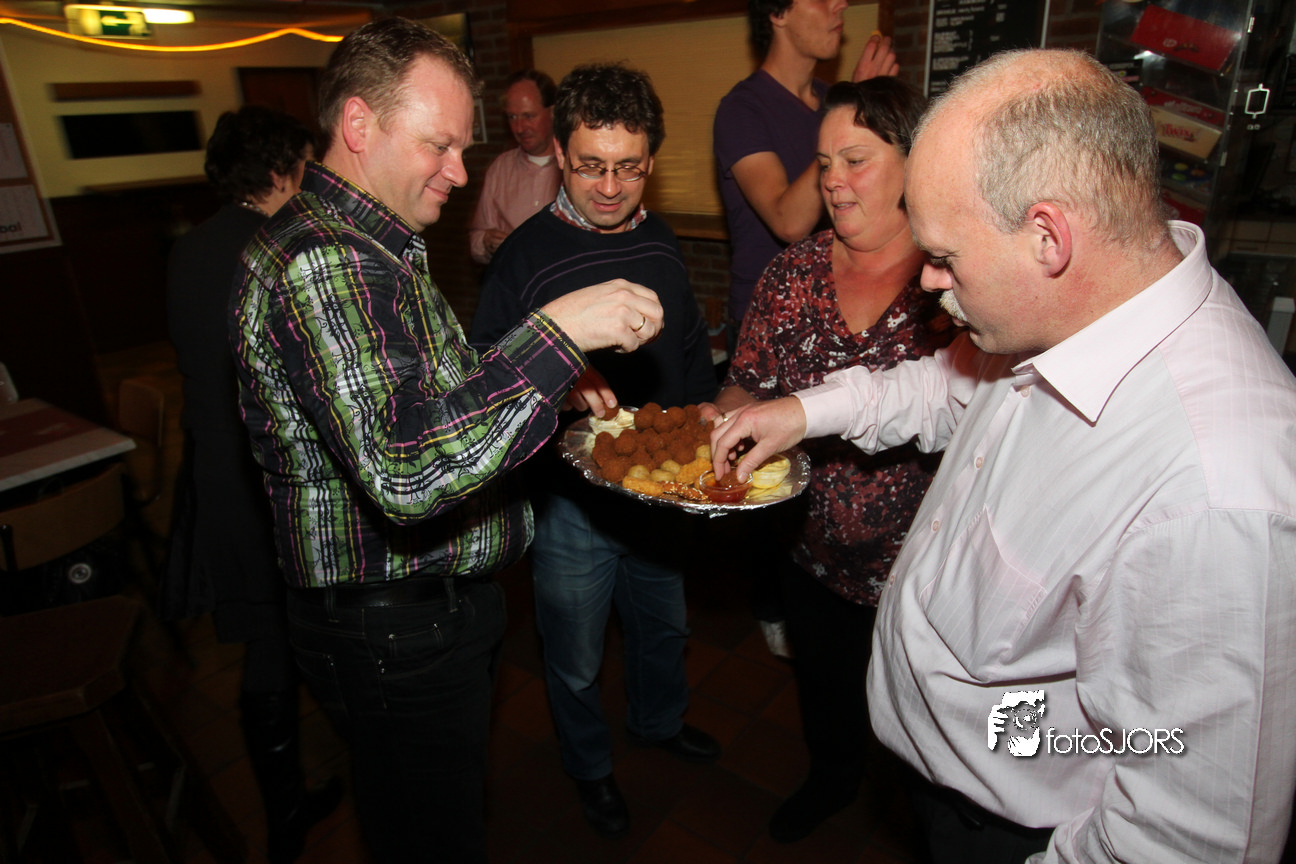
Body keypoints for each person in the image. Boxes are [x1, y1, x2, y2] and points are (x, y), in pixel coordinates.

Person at [711, 49, 1296, 864]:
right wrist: (803, 410)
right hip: (940, 785)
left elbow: (1189, 837)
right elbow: (940, 390)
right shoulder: (1062, 313)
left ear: (1048, 237)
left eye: (946, 256)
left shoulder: (1216, 488)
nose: (928, 281)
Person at [229, 19, 665, 864]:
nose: (461, 173)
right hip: (394, 628)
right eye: (440, 145)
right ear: (360, 125)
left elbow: (426, 400)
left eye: (464, 148)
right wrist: (556, 335)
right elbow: (404, 469)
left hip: (413, 618)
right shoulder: (329, 261)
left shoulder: (373, 243)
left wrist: (546, 379)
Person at [469, 62, 720, 840]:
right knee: (575, 656)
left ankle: (658, 721)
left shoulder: (662, 239)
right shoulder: (524, 257)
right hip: (570, 503)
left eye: (628, 168)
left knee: (664, 628)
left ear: (651, 161)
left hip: (659, 491)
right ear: (559, 153)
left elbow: (687, 344)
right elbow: (482, 378)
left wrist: (705, 418)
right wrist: (557, 373)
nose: (610, 188)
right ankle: (588, 767)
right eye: (590, 167)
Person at [705, 77, 950, 844]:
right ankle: (833, 779)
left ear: (913, 162)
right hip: (809, 551)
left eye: (856, 160)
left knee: (927, 733)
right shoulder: (792, 273)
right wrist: (720, 416)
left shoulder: (951, 280)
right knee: (828, 693)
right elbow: (748, 379)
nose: (833, 181)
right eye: (822, 163)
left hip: (924, 572)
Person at [163, 104, 341, 864]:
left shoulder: (189, 248)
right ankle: (289, 817)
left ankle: (288, 806)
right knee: (287, 643)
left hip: (214, 476)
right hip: (264, 484)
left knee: (271, 643)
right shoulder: (273, 253)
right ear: (279, 170)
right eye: (308, 164)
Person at [714, 0, 897, 655]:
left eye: (856, 157)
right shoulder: (744, 109)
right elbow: (790, 221)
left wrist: (855, 107)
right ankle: (781, 599)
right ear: (778, 12)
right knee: (782, 474)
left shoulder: (828, 98)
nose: (839, 5)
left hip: (857, 309)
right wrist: (849, 117)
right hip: (783, 319)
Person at [468, 69, 561, 263]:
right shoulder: (500, 169)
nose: (519, 128)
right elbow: (476, 240)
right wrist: (485, 242)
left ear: (552, 112)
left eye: (529, 116)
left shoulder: (574, 166)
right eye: (512, 117)